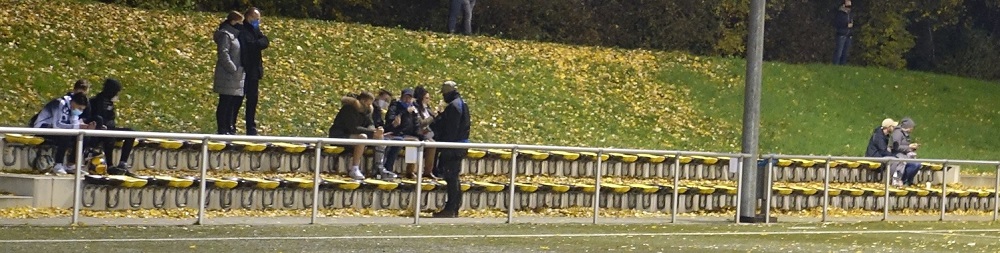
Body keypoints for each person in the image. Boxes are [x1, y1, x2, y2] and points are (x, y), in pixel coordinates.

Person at [329, 92, 394, 180]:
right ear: (362, 101)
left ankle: (379, 166)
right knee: (363, 137)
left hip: (354, 135)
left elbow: (370, 124)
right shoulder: (348, 109)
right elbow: (352, 128)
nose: (369, 106)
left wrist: (376, 131)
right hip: (340, 135)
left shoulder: (366, 111)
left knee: (379, 136)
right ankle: (354, 168)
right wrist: (372, 132)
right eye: (368, 103)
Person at [430, 80, 471, 218]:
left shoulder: (453, 107)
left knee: (451, 177)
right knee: (454, 177)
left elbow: (450, 129)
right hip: (461, 144)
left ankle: (451, 208)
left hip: (453, 145)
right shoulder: (461, 103)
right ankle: (454, 207)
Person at [32, 92, 97, 175]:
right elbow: (57, 124)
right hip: (43, 128)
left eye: (82, 109)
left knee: (83, 135)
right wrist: (78, 126)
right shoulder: (59, 103)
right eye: (79, 108)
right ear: (73, 102)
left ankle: (71, 164)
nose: (80, 111)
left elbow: (74, 123)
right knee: (67, 134)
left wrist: (86, 127)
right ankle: (58, 164)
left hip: (57, 130)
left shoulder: (72, 109)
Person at [88, 78, 137, 176]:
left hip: (110, 128)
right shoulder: (97, 101)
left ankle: (123, 163)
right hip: (99, 130)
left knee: (130, 133)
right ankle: (110, 165)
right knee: (110, 136)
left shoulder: (109, 102)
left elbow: (111, 117)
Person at [238, 7, 270, 136]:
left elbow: (264, 41)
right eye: (256, 19)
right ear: (249, 17)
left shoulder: (255, 29)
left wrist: (259, 42)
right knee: (239, 99)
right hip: (246, 69)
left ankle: (251, 127)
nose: (258, 22)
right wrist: (258, 43)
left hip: (254, 71)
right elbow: (252, 45)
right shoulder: (243, 30)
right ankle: (232, 124)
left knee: (253, 100)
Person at [213, 11, 245, 135]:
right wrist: (232, 68)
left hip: (235, 75)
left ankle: (229, 126)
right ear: (233, 21)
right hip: (227, 74)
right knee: (225, 101)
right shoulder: (225, 35)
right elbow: (223, 53)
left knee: (232, 102)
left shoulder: (235, 35)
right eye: (239, 22)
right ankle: (222, 127)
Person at [383, 88, 419, 178]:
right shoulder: (395, 106)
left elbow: (416, 124)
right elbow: (391, 120)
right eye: (405, 97)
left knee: (416, 141)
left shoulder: (413, 109)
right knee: (402, 141)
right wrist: (405, 112)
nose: (407, 100)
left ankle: (411, 170)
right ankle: (389, 168)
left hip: (408, 134)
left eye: (409, 98)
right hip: (396, 133)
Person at [414, 86, 439, 179]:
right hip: (417, 133)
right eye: (426, 98)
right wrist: (433, 117)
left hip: (428, 133)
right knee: (415, 143)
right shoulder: (416, 108)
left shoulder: (427, 109)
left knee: (433, 144)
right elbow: (421, 123)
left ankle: (428, 171)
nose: (428, 100)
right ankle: (412, 170)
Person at [890, 118, 920, 187]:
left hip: (905, 154)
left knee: (917, 164)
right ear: (908, 127)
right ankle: (901, 180)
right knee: (912, 164)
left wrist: (912, 148)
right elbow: (896, 147)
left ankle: (907, 180)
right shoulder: (897, 133)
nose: (912, 129)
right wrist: (909, 147)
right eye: (911, 127)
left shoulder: (906, 134)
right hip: (897, 155)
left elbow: (905, 146)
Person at [832, 0, 853, 65]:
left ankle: (843, 66)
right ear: (843, 5)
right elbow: (837, 23)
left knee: (845, 53)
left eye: (850, 6)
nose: (849, 7)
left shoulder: (849, 14)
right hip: (841, 34)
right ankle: (835, 65)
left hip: (848, 35)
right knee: (839, 52)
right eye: (848, 6)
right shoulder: (840, 14)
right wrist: (846, 25)